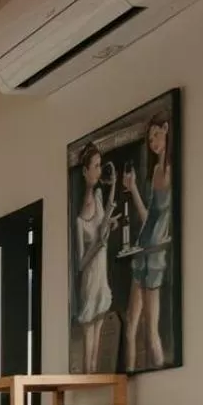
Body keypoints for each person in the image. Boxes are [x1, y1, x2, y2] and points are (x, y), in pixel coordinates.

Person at [122, 111, 173, 371]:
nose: (153, 142)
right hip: (143, 248)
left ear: (166, 130)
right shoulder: (154, 170)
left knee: (151, 330)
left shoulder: (172, 171)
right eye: (150, 137)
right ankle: (127, 380)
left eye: (156, 134)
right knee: (131, 323)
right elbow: (148, 217)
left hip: (156, 254)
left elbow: (168, 220)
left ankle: (166, 378)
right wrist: (132, 189)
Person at [72, 143, 119, 373]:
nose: (99, 171)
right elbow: (80, 263)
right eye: (96, 166)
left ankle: (92, 385)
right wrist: (99, 241)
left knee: (98, 341)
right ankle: (85, 387)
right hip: (90, 279)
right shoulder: (80, 219)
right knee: (89, 340)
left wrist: (108, 225)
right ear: (85, 171)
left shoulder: (100, 196)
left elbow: (104, 222)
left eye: (100, 166)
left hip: (101, 276)